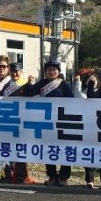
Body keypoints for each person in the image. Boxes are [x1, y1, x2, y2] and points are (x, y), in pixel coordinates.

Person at [29, 59, 74, 187]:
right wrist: (29, 84)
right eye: (49, 70)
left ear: (58, 72)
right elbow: (30, 93)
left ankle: (64, 177)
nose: (52, 72)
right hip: (46, 122)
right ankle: (52, 176)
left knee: (64, 149)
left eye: (54, 69)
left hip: (62, 121)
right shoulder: (41, 84)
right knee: (48, 149)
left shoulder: (65, 85)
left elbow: (72, 102)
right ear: (46, 72)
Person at [0, 62, 38, 185]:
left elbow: (32, 96)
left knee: (20, 149)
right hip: (7, 120)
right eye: (13, 71)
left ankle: (21, 176)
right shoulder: (5, 87)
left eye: (17, 71)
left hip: (21, 121)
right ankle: (4, 175)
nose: (15, 73)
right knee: (5, 148)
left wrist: (32, 84)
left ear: (21, 72)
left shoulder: (26, 85)